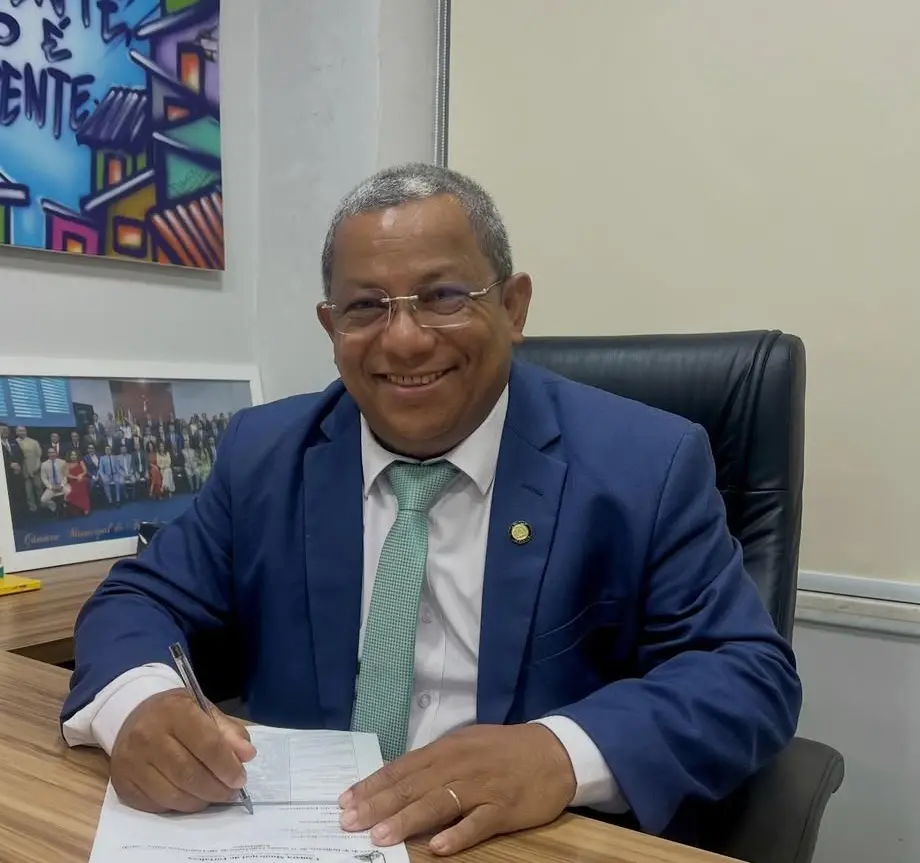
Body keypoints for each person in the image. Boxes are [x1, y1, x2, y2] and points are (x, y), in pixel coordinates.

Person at [61, 163, 801, 855]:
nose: (405, 338)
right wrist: (141, 703)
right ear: (331, 328)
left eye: (444, 296)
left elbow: (746, 672)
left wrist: (560, 751)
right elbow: (137, 598)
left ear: (513, 307)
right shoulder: (268, 451)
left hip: (521, 842)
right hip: (303, 837)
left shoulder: (645, 463)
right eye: (366, 307)